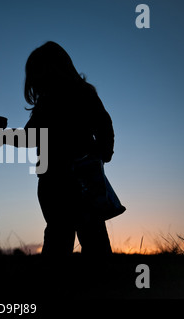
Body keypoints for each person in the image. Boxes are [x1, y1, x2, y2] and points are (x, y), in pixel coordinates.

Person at [19, 41, 115, 257]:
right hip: (71, 178)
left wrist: (103, 152)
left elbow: (28, 136)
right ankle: (97, 283)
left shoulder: (52, 101)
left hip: (67, 178)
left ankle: (61, 285)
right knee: (85, 234)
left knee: (64, 234)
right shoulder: (80, 94)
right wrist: (103, 153)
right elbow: (104, 124)